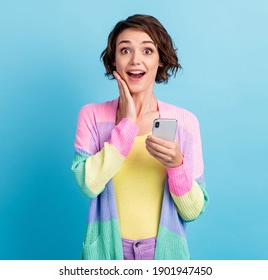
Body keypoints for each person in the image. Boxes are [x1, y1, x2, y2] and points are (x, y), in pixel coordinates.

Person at [71, 14, 208, 260]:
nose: (136, 60)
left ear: (160, 61)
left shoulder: (185, 123)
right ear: (114, 61)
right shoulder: (91, 115)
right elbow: (89, 185)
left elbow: (192, 211)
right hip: (106, 253)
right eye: (125, 50)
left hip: (164, 254)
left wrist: (177, 165)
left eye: (147, 50)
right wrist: (128, 125)